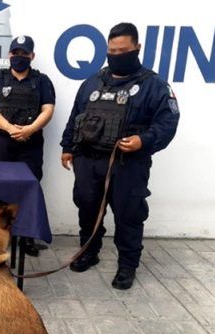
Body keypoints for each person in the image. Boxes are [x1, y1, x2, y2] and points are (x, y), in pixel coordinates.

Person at [60, 23, 179, 289]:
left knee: (129, 215)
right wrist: (67, 147)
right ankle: (88, 252)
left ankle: (127, 265)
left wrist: (143, 140)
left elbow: (167, 122)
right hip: (88, 160)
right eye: (112, 50)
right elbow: (75, 115)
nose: (116, 55)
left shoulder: (154, 85)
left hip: (128, 164)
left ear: (137, 48)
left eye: (123, 50)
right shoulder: (92, 81)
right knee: (88, 209)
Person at [0, 35, 55, 257]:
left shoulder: (42, 81)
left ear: (32, 56)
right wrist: (10, 128)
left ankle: (26, 238)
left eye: (24, 53)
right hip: (2, 142)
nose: (19, 57)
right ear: (9, 54)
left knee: (29, 189)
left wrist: (29, 129)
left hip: (30, 144)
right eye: (16, 53)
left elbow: (48, 110)